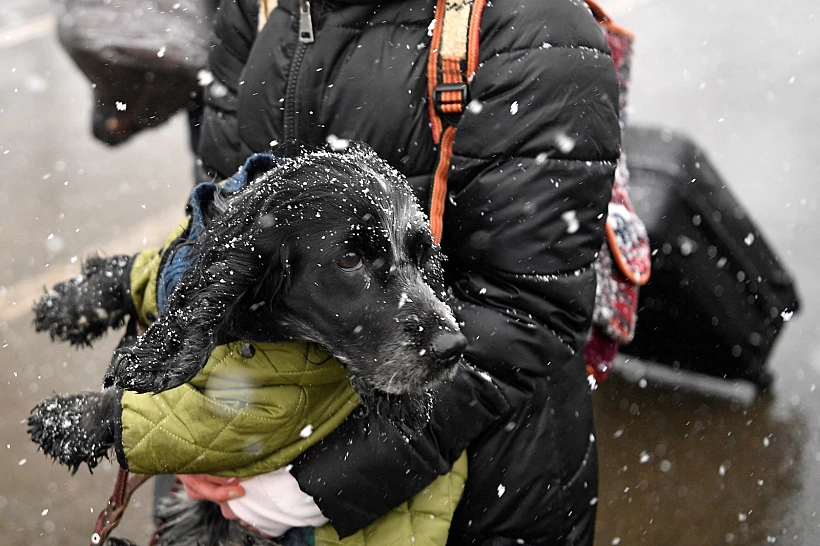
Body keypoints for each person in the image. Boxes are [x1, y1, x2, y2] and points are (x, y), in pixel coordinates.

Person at [181, 0, 622, 543]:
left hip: (476, 488)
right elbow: (219, 234)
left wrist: (318, 486)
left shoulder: (538, 24)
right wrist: (189, 432)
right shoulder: (257, 5)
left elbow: (527, 310)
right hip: (247, 474)